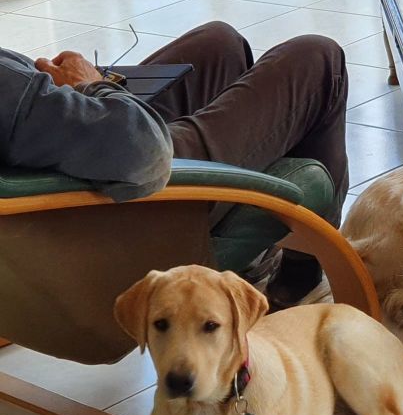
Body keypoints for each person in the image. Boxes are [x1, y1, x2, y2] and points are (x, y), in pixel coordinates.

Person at [0, 21, 349, 308]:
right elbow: (144, 153)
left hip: (58, 191)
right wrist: (92, 86)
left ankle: (255, 264)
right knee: (317, 58)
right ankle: (298, 279)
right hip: (123, 211)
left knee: (218, 46)